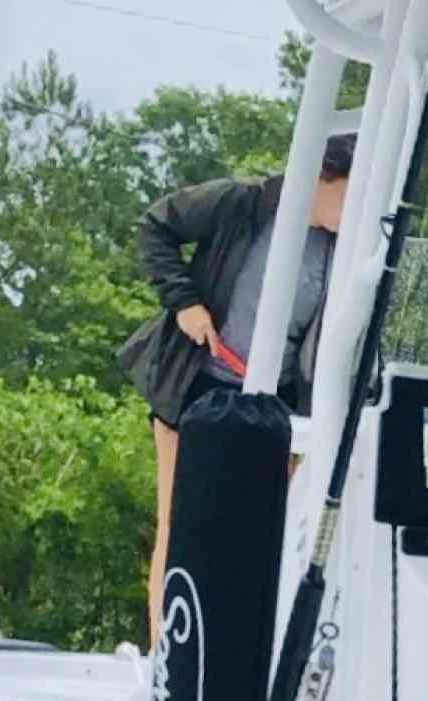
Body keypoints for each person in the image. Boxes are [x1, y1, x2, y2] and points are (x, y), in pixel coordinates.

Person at [119, 133, 356, 645]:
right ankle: (166, 658)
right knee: (178, 526)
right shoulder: (244, 202)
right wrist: (183, 301)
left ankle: (239, 658)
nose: (353, 209)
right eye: (348, 195)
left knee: (259, 540)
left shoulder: (347, 246)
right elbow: (155, 225)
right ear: (322, 178)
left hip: (280, 406)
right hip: (197, 383)